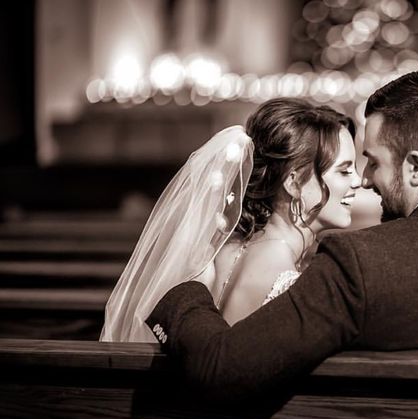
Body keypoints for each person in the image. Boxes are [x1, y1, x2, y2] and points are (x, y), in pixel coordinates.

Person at [146, 71, 418, 402]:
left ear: (416, 168)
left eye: (373, 161)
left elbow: (224, 368)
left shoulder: (359, 265)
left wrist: (186, 290)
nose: (364, 179)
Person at [100, 98, 359, 342]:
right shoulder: (288, 281)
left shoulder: (225, 248)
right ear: (293, 182)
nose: (357, 181)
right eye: (345, 171)